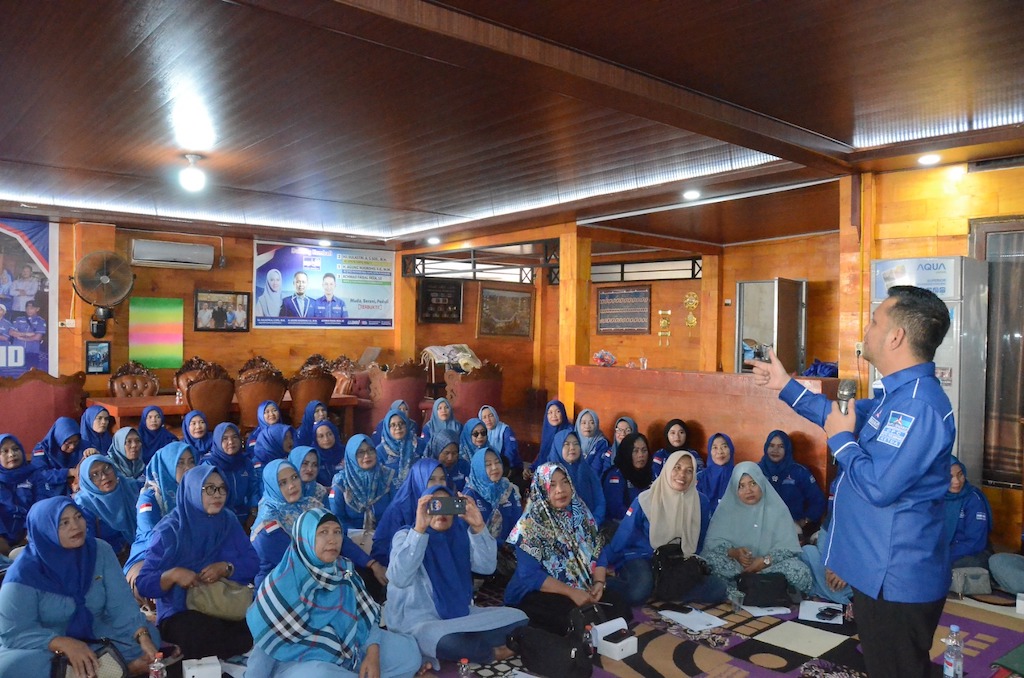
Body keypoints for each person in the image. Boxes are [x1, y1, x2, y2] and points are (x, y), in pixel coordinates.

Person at [748, 285, 955, 678]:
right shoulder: (898, 395)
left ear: (896, 337)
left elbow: (879, 486)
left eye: (875, 321)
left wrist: (842, 441)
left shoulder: (918, 405)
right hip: (876, 569)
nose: (867, 329)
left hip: (895, 575)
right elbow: (836, 415)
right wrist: (784, 384)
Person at [245, 509, 423, 678]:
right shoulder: (280, 585)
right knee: (320, 674)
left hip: (350, 645)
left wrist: (372, 653)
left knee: (409, 654)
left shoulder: (343, 570)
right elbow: (264, 647)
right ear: (305, 537)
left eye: (337, 532)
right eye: (323, 532)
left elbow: (366, 618)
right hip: (300, 662)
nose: (332, 540)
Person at [0, 497, 161, 677]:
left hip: (95, 631)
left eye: (78, 517)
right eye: (64, 523)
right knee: (10, 667)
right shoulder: (23, 575)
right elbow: (14, 633)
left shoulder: (99, 551)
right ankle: (119, 670)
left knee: (149, 636)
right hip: (46, 644)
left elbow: (121, 605)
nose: (76, 526)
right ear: (45, 530)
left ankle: (100, 671)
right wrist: (63, 643)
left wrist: (141, 635)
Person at [386, 485, 528, 669]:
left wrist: (478, 526)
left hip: (461, 615)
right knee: (440, 639)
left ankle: (467, 645)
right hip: (421, 621)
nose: (442, 512)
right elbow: (399, 578)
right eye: (435, 505)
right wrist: (419, 530)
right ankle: (489, 652)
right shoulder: (405, 536)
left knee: (519, 618)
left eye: (448, 505)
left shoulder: (459, 535)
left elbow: (487, 567)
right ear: (422, 509)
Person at [136, 465, 259, 660]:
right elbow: (143, 584)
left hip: (225, 602)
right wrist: (172, 575)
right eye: (209, 488)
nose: (217, 494)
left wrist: (227, 568)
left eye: (222, 488)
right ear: (192, 490)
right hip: (181, 611)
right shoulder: (169, 531)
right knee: (199, 633)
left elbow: (253, 562)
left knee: (258, 624)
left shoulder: (228, 521)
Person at [504, 462, 632, 635]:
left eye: (565, 482)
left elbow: (597, 551)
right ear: (541, 488)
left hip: (581, 583)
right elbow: (530, 576)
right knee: (570, 618)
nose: (560, 490)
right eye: (552, 485)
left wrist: (599, 583)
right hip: (539, 590)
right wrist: (572, 593)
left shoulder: (580, 512)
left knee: (619, 604)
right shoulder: (529, 526)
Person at [600, 450, 726, 605]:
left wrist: (690, 564)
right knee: (638, 593)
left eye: (689, 470)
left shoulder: (701, 502)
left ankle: (660, 589)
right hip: (643, 556)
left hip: (677, 559)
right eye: (677, 468)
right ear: (667, 469)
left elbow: (699, 540)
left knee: (718, 588)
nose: (682, 475)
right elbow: (624, 533)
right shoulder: (646, 499)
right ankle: (653, 588)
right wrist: (602, 563)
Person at [700, 462, 813, 597]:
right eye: (741, 486)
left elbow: (788, 549)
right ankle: (756, 591)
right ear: (734, 489)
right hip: (736, 569)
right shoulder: (726, 510)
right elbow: (712, 544)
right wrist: (735, 553)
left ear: (761, 482)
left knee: (800, 571)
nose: (748, 490)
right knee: (709, 562)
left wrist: (764, 561)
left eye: (753, 483)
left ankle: (742, 592)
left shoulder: (778, 509)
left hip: (769, 569)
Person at [123, 442, 196, 593]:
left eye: (191, 462)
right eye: (180, 463)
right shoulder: (150, 497)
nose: (188, 468)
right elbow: (151, 535)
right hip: (148, 554)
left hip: (187, 551)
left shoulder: (194, 493)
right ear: (166, 465)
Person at [249, 459, 323, 589]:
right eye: (282, 483)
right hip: (278, 587)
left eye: (294, 477)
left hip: (312, 576)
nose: (292, 486)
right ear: (273, 487)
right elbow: (296, 563)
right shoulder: (268, 525)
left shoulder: (307, 504)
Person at [371, 458, 447, 567]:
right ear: (418, 479)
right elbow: (383, 549)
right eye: (431, 479)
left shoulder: (444, 504)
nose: (438, 484)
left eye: (442, 479)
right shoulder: (399, 509)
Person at [757, 430, 826, 542]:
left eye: (781, 446)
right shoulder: (756, 470)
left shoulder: (799, 472)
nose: (775, 450)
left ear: (787, 449)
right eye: (771, 445)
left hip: (793, 528)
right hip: (761, 528)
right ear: (766, 447)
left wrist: (804, 521)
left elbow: (818, 500)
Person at [74, 455, 139, 562]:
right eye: (95, 475)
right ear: (87, 481)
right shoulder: (84, 506)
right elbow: (90, 546)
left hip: (141, 549)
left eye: (107, 468)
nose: (104, 476)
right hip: (108, 560)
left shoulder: (129, 487)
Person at [330, 434, 395, 533]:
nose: (367, 456)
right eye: (360, 452)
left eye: (371, 450)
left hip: (385, 534)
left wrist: (381, 534)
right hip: (350, 537)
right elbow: (336, 518)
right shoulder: (341, 482)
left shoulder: (387, 476)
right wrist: (357, 536)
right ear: (351, 456)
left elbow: (396, 511)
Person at [0, 433, 50, 557]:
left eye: (16, 449)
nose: (12, 454)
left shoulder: (35, 475)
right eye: (5, 451)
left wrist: (29, 535)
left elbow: (42, 504)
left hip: (31, 535)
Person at [203, 422, 259, 526]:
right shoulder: (209, 465)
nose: (231, 442)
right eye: (225, 438)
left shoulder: (245, 462)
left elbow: (253, 488)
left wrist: (253, 513)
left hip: (244, 515)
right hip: (219, 517)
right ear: (217, 441)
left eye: (235, 437)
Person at [464, 448, 522, 548]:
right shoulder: (469, 495)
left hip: (510, 550)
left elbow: (518, 522)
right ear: (478, 468)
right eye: (488, 464)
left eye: (497, 462)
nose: (494, 467)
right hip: (480, 552)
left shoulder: (508, 489)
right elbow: (465, 534)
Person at [549, 429, 605, 525]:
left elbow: (599, 500)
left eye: (576, 444)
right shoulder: (548, 474)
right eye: (566, 444)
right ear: (558, 447)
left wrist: (594, 522)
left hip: (590, 525)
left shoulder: (587, 471)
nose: (572, 448)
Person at [946, 456, 992, 568]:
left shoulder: (973, 499)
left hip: (969, 552)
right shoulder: (933, 498)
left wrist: (945, 555)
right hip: (940, 551)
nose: (957, 481)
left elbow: (976, 542)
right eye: (950, 477)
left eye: (960, 475)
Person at [602, 431, 654, 525]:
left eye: (644, 450)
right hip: (622, 524)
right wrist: (642, 518)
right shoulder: (616, 475)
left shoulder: (651, 473)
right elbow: (616, 509)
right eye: (635, 451)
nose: (641, 455)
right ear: (627, 452)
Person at [30, 416, 82, 494]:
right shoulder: (42, 449)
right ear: (59, 438)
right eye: (68, 443)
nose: (72, 446)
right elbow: (39, 475)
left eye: (76, 442)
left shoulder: (80, 446)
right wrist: (68, 472)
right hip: (48, 493)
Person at [377, 407, 422, 489]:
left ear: (407, 424)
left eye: (401, 423)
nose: (398, 428)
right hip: (391, 494)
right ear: (387, 428)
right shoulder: (380, 451)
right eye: (393, 425)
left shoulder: (419, 444)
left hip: (417, 491)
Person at [478, 404, 522, 484]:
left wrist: (500, 467)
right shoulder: (482, 433)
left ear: (495, 416)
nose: (488, 420)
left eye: (490, 415)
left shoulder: (505, 430)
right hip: (492, 466)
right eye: (484, 417)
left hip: (509, 466)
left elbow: (510, 452)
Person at [528, 399, 572, 477]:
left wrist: (541, 473)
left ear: (563, 413)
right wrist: (531, 468)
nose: (554, 415)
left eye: (558, 411)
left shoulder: (569, 432)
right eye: (550, 412)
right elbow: (542, 454)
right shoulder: (547, 430)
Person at [696, 432, 735, 515]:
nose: (720, 452)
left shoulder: (739, 475)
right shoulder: (700, 478)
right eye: (715, 447)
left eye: (724, 446)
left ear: (731, 449)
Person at [252, 423, 294, 488]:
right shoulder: (258, 464)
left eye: (291, 438)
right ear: (273, 440)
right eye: (285, 438)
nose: (290, 441)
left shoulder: (288, 458)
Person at [10, 300, 46, 369]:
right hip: (17, 350)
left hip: (32, 351)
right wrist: (27, 334)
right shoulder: (19, 319)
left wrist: (22, 338)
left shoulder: (40, 321)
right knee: (16, 372)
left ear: (37, 309)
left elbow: (37, 337)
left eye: (31, 308)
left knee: (31, 373)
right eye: (27, 308)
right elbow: (11, 332)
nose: (29, 310)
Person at [575, 408, 610, 474]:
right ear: (578, 425)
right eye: (583, 423)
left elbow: (597, 468)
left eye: (592, 423)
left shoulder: (602, 443)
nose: (587, 426)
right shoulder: (573, 441)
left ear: (596, 424)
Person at [312, 419, 346, 486]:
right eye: (321, 436)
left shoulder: (345, 453)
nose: (326, 439)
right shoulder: (312, 455)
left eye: (329, 434)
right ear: (315, 439)